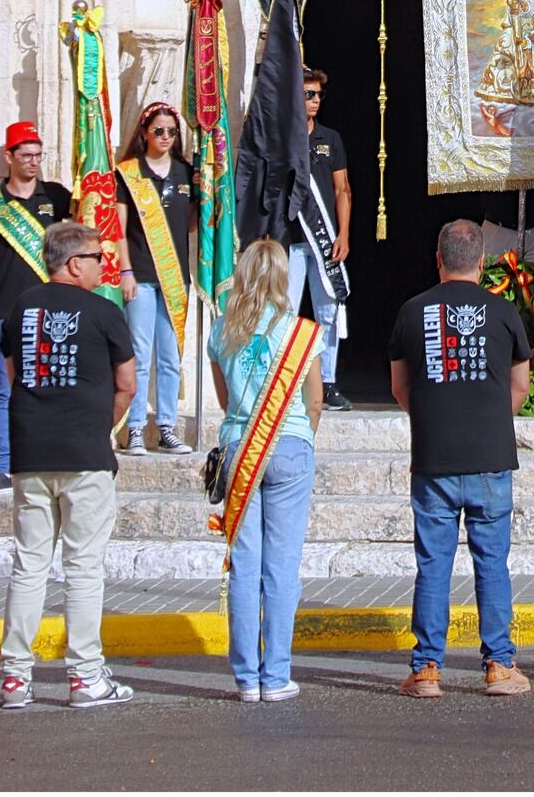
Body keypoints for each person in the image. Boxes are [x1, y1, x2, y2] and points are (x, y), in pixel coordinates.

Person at [388, 219, 532, 698]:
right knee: (492, 562)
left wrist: (435, 417)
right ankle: (498, 665)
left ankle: (427, 669)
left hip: (434, 457)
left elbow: (399, 387)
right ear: (484, 260)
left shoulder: (412, 311)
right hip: (491, 457)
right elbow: (520, 386)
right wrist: (489, 419)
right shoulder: (505, 311)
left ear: (438, 258)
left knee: (433, 564)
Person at [0, 219, 137, 709]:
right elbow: (128, 384)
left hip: (32, 453)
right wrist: (103, 427)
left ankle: (15, 677)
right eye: (98, 257)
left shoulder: (21, 306)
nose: (105, 264)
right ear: (75, 263)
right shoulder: (104, 312)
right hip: (84, 455)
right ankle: (85, 676)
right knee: (83, 566)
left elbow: (16, 373)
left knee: (29, 564)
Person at [209, 237, 323, 702]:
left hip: (241, 447)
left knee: (245, 568)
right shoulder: (301, 332)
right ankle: (276, 675)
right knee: (281, 567)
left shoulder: (221, 331)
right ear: (281, 277)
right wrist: (303, 438)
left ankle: (246, 679)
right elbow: (314, 399)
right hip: (291, 443)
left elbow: (223, 401)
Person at [0, 122, 73, 496]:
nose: (33, 162)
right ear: (9, 157)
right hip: (4, 310)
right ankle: (1, 466)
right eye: (26, 155)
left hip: (51, 310)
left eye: (38, 155)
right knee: (4, 387)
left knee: (52, 383)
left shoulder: (57, 197)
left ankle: (48, 458)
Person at [115, 101, 196, 455]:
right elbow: (117, 230)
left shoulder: (184, 172)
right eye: (159, 131)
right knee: (139, 352)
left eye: (172, 132)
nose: (165, 137)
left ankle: (167, 425)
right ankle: (134, 427)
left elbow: (190, 224)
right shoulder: (128, 173)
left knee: (170, 355)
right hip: (142, 274)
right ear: (145, 133)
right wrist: (125, 270)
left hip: (175, 276)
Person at [288, 67, 352, 410]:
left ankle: (327, 381)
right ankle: (283, 381)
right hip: (293, 238)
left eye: (317, 96)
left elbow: (342, 190)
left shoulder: (331, 139)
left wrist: (343, 233)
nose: (314, 102)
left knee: (328, 309)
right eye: (308, 95)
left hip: (326, 238)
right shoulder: (284, 138)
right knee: (286, 309)